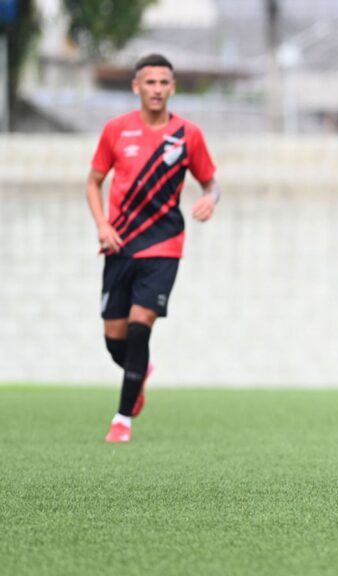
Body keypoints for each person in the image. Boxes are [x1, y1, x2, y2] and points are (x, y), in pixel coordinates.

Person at [86, 54, 221, 443]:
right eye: (150, 82)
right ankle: (139, 372)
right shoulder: (116, 131)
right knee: (115, 340)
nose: (157, 89)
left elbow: (212, 183)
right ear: (136, 87)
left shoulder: (187, 135)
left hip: (164, 245)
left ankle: (121, 421)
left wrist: (211, 199)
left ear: (173, 87)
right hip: (120, 244)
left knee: (139, 327)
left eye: (164, 82)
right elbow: (93, 182)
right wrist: (102, 225)